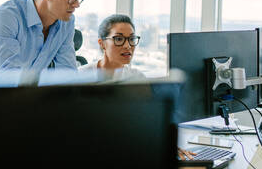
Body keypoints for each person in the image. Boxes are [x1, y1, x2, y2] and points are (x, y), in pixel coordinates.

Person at [79, 14, 196, 160]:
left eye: (132, 39)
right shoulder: (81, 77)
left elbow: (147, 124)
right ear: (102, 43)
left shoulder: (137, 79)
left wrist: (167, 144)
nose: (128, 46)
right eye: (119, 39)